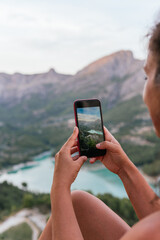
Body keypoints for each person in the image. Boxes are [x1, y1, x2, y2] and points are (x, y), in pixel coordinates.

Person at [39, 21, 160, 240]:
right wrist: (124, 169)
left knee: (70, 202)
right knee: (79, 204)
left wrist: (59, 188)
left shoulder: (149, 233)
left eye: (146, 77)